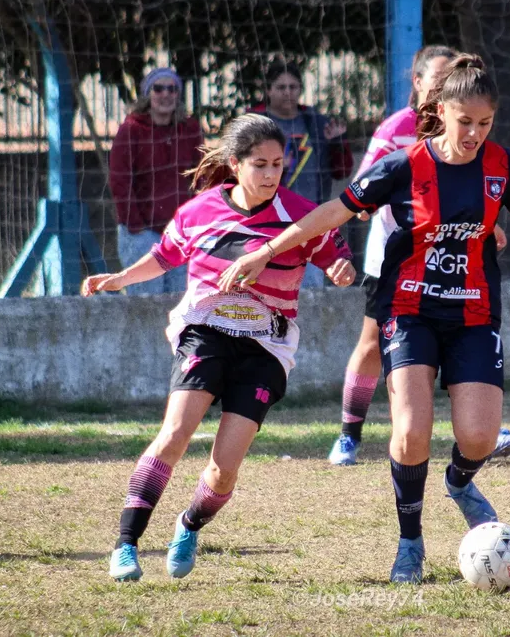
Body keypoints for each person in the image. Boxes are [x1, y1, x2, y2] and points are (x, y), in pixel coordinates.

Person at [218, 54, 510, 584]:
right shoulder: (405, 165)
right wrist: (265, 251)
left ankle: (459, 481)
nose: (474, 133)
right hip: (408, 311)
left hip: (474, 313)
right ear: (439, 112)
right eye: (464, 122)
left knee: (478, 437)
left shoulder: (505, 168)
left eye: (484, 123)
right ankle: (410, 543)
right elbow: (332, 212)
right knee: (410, 434)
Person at [84, 113, 355, 582]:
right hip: (205, 332)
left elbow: (335, 255)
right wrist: (121, 279)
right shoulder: (199, 212)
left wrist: (341, 270)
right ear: (235, 165)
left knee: (224, 469)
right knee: (174, 433)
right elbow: (164, 257)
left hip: (266, 347)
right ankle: (126, 544)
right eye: (259, 165)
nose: (271, 175)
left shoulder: (300, 215)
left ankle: (189, 524)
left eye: (277, 164)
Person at [327, 44, 510, 466]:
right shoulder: (397, 128)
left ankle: (477, 425)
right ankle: (349, 433)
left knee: (461, 335)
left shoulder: (470, 128)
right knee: (369, 344)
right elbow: (362, 191)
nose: (444, 86)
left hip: (455, 260)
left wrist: (485, 224)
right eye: (437, 79)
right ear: (421, 86)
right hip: (397, 257)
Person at [249, 60, 354, 288]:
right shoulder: (256, 124)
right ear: (268, 90)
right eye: (281, 87)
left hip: (310, 218)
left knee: (309, 290)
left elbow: (342, 171)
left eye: (293, 87)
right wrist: (279, 168)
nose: (288, 93)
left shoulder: (315, 122)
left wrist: (337, 143)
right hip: (268, 221)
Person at [109, 67, 205, 294]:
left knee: (181, 302)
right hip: (142, 233)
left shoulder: (190, 129)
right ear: (147, 94)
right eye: (158, 88)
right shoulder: (131, 130)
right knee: (145, 304)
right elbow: (120, 183)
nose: (165, 94)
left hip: (181, 233)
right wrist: (136, 226)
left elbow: (200, 176)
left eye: (171, 89)